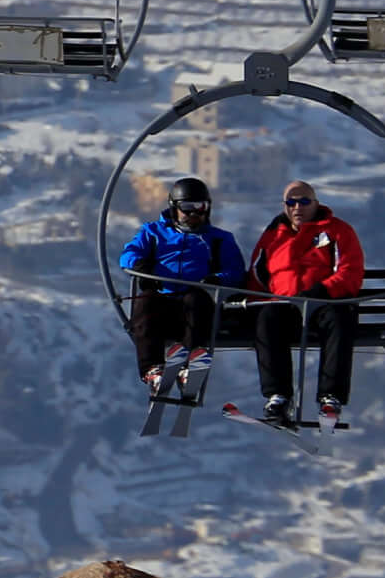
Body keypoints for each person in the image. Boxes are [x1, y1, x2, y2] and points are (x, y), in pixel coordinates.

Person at [250, 178, 365, 426]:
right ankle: (278, 395)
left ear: (316, 203)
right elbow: (257, 275)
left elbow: (350, 272)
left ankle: (330, 396)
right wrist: (253, 303)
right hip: (284, 304)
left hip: (324, 303)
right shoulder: (273, 235)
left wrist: (320, 291)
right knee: (267, 319)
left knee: (339, 318)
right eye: (291, 202)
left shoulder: (336, 231)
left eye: (304, 202)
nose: (297, 208)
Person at [117, 176, 244, 395]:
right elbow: (128, 254)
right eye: (187, 207)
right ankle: (153, 369)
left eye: (200, 207)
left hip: (195, 300)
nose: (194, 214)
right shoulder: (153, 232)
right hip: (162, 299)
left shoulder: (219, 239)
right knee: (145, 302)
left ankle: (189, 365)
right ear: (174, 207)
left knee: (196, 301)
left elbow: (235, 270)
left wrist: (217, 279)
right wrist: (140, 266)